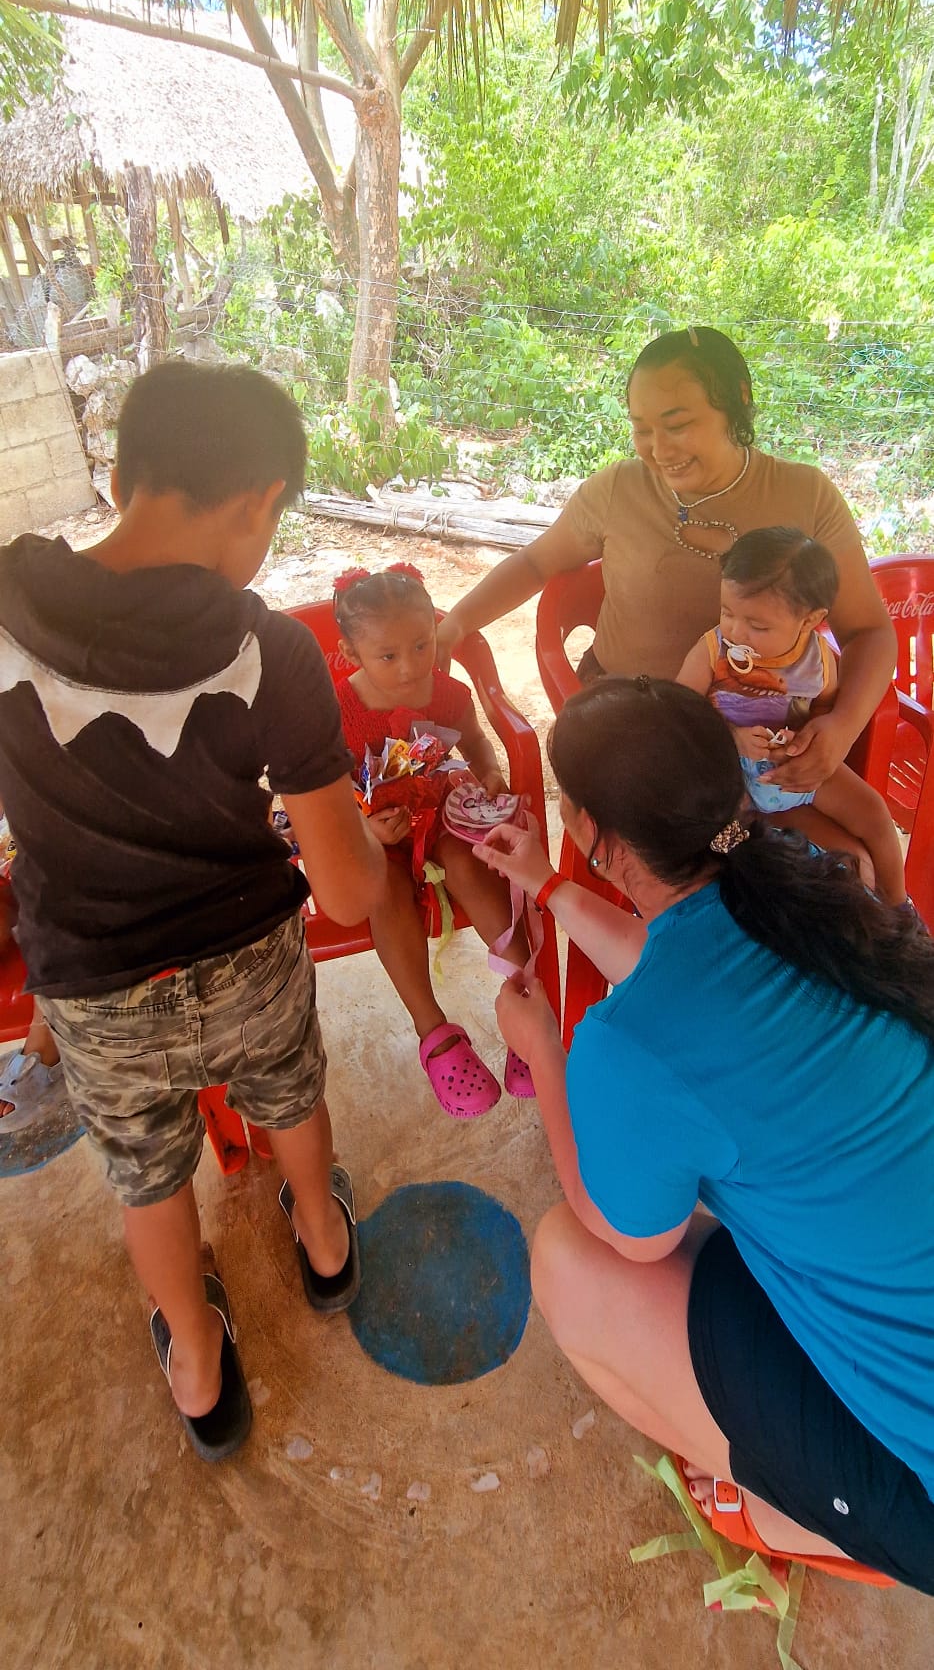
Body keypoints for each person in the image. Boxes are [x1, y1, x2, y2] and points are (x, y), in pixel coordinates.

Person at [0, 360, 386, 1461]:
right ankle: (323, 1242)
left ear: (124, 475)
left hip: (95, 987)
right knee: (290, 1093)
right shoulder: (271, 648)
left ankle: (200, 1366)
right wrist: (367, 843)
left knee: (148, 1174)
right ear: (259, 500)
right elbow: (347, 890)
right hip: (250, 959)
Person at [475, 677, 934, 1593]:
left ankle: (776, 1510)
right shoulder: (813, 890)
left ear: (596, 832)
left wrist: (544, 1056)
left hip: (915, 1478)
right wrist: (550, 887)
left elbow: (629, 1238)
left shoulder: (623, 1045)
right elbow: (682, 963)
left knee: (569, 1257)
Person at [436, 327, 895, 813]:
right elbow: (534, 563)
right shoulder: (617, 490)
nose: (658, 449)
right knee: (695, 839)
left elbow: (869, 631)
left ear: (737, 399)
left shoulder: (806, 496)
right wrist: (456, 624)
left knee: (857, 844)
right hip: (632, 724)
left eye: (677, 425)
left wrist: (841, 727)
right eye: (642, 428)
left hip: (766, 739)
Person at [333, 564, 532, 1115]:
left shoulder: (447, 693)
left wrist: (489, 773)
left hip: (441, 805)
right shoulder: (337, 710)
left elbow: (476, 744)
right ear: (351, 653)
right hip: (372, 824)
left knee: (470, 861)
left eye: (422, 646)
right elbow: (322, 790)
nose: (409, 667)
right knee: (385, 889)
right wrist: (365, 829)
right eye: (388, 655)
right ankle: (435, 1033)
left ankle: (528, 995)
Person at [677, 526, 906, 903]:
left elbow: (824, 709)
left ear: (810, 620)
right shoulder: (713, 650)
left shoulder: (818, 661)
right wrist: (730, 736)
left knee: (874, 814)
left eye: (758, 625)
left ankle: (899, 909)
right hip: (727, 771)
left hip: (795, 770)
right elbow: (680, 710)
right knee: (723, 843)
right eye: (727, 612)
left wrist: (805, 738)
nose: (736, 631)